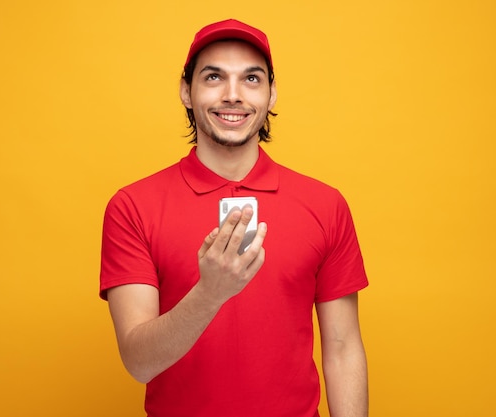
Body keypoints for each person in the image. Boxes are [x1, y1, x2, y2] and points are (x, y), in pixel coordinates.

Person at [100, 19, 369, 417]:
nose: (232, 95)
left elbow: (344, 348)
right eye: (213, 77)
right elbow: (139, 362)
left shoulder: (325, 205)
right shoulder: (132, 207)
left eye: (251, 79)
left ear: (271, 94)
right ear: (186, 92)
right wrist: (211, 293)